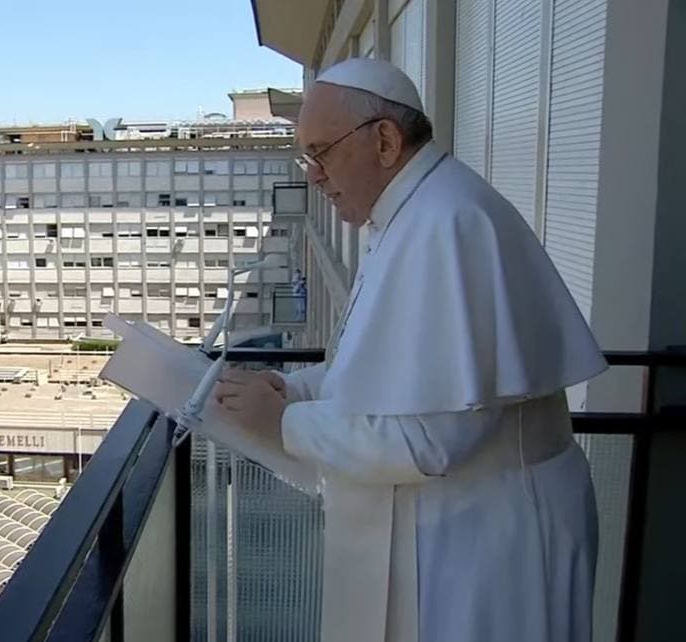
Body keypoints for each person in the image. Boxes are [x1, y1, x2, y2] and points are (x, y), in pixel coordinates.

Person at [213, 57, 606, 642]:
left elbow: (430, 441)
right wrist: (296, 389)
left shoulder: (447, 223)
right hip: (457, 526)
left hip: (489, 541)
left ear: (386, 141)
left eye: (320, 152)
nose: (313, 175)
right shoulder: (409, 217)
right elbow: (381, 364)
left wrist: (288, 423)